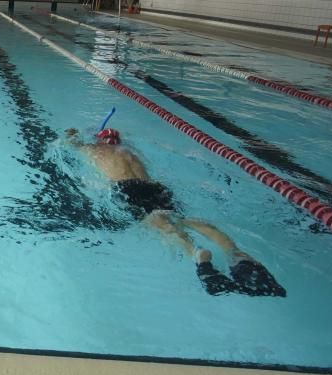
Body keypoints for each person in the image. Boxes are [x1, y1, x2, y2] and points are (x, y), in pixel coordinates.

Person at [65, 127, 285, 297]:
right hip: (155, 187)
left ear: (101, 140)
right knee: (183, 219)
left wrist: (73, 134)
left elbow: (72, 143)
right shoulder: (130, 151)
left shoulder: (95, 150)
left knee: (156, 223)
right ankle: (234, 254)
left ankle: (197, 254)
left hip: (127, 189)